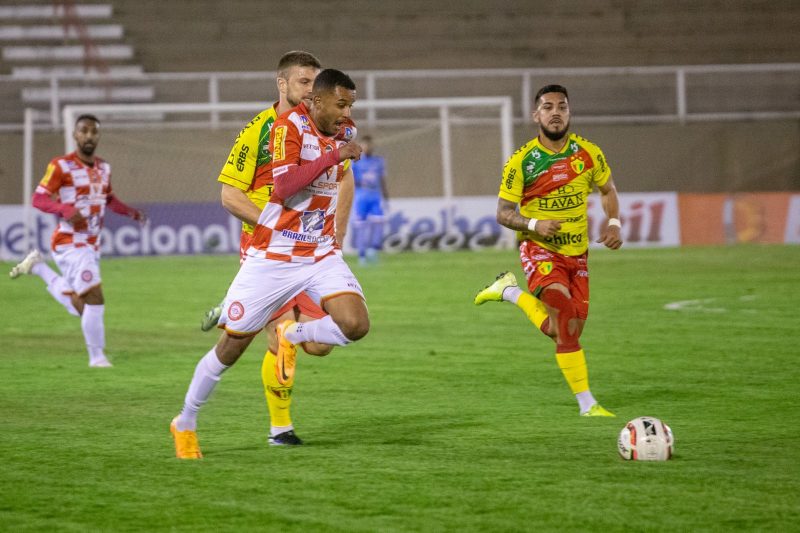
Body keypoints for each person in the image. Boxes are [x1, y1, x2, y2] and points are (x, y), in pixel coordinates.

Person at [171, 68, 368, 459]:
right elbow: (282, 186)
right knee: (231, 347)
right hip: (274, 254)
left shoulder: (343, 130)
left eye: (351, 105)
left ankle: (293, 336)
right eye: (341, 104)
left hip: (319, 253)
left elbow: (342, 175)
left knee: (355, 324)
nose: (347, 113)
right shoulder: (285, 128)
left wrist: (338, 231)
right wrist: (335, 154)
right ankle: (186, 421)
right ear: (315, 101)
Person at [474, 84, 622, 417]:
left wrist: (614, 222)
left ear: (569, 113)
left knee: (563, 330)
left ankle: (509, 292)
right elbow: (502, 212)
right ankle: (588, 404)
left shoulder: (588, 154)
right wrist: (533, 225)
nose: (555, 112)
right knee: (565, 319)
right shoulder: (522, 162)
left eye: (562, 107)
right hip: (539, 250)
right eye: (548, 107)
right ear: (535, 115)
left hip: (577, 254)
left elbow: (608, 188)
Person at [9, 114, 146, 368]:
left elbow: (109, 199)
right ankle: (97, 358)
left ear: (98, 136)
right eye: (84, 131)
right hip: (70, 242)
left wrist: (132, 213)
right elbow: (39, 199)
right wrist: (64, 209)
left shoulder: (104, 168)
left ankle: (38, 267)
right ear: (75, 135)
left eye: (94, 132)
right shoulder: (61, 166)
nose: (89, 136)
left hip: (92, 245)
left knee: (81, 305)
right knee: (95, 297)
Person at [350, 135, 389, 264]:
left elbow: (382, 180)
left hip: (375, 197)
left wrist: (386, 197)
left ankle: (373, 248)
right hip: (361, 198)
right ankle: (362, 255)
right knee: (361, 226)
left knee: (378, 222)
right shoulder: (355, 162)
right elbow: (350, 181)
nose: (367, 147)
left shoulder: (378, 161)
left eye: (369, 145)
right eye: (365, 145)